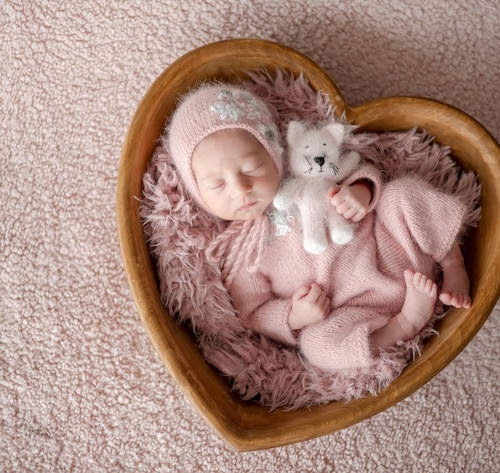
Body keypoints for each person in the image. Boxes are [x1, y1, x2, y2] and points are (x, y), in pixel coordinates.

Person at [166, 84, 472, 371]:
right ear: (198, 193)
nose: (241, 188)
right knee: (316, 345)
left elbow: (359, 170)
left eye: (252, 168)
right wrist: (294, 315)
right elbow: (253, 312)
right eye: (218, 184)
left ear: (273, 155)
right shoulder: (241, 252)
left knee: (401, 193)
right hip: (354, 311)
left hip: (393, 252)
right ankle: (406, 323)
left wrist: (360, 192)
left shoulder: (304, 174)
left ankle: (452, 262)